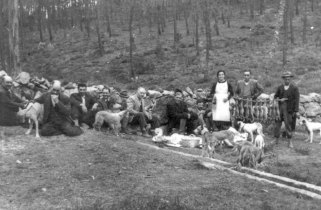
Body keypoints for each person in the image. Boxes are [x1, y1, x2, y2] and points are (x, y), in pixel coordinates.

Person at [273, 71, 300, 148]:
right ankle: (276, 139)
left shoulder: (294, 88)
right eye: (285, 79)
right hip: (280, 108)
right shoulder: (280, 87)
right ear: (283, 79)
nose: (287, 80)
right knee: (277, 124)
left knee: (288, 125)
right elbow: (275, 97)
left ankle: (290, 141)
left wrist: (296, 111)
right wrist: (279, 100)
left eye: (288, 79)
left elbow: (297, 100)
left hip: (289, 109)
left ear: (290, 79)